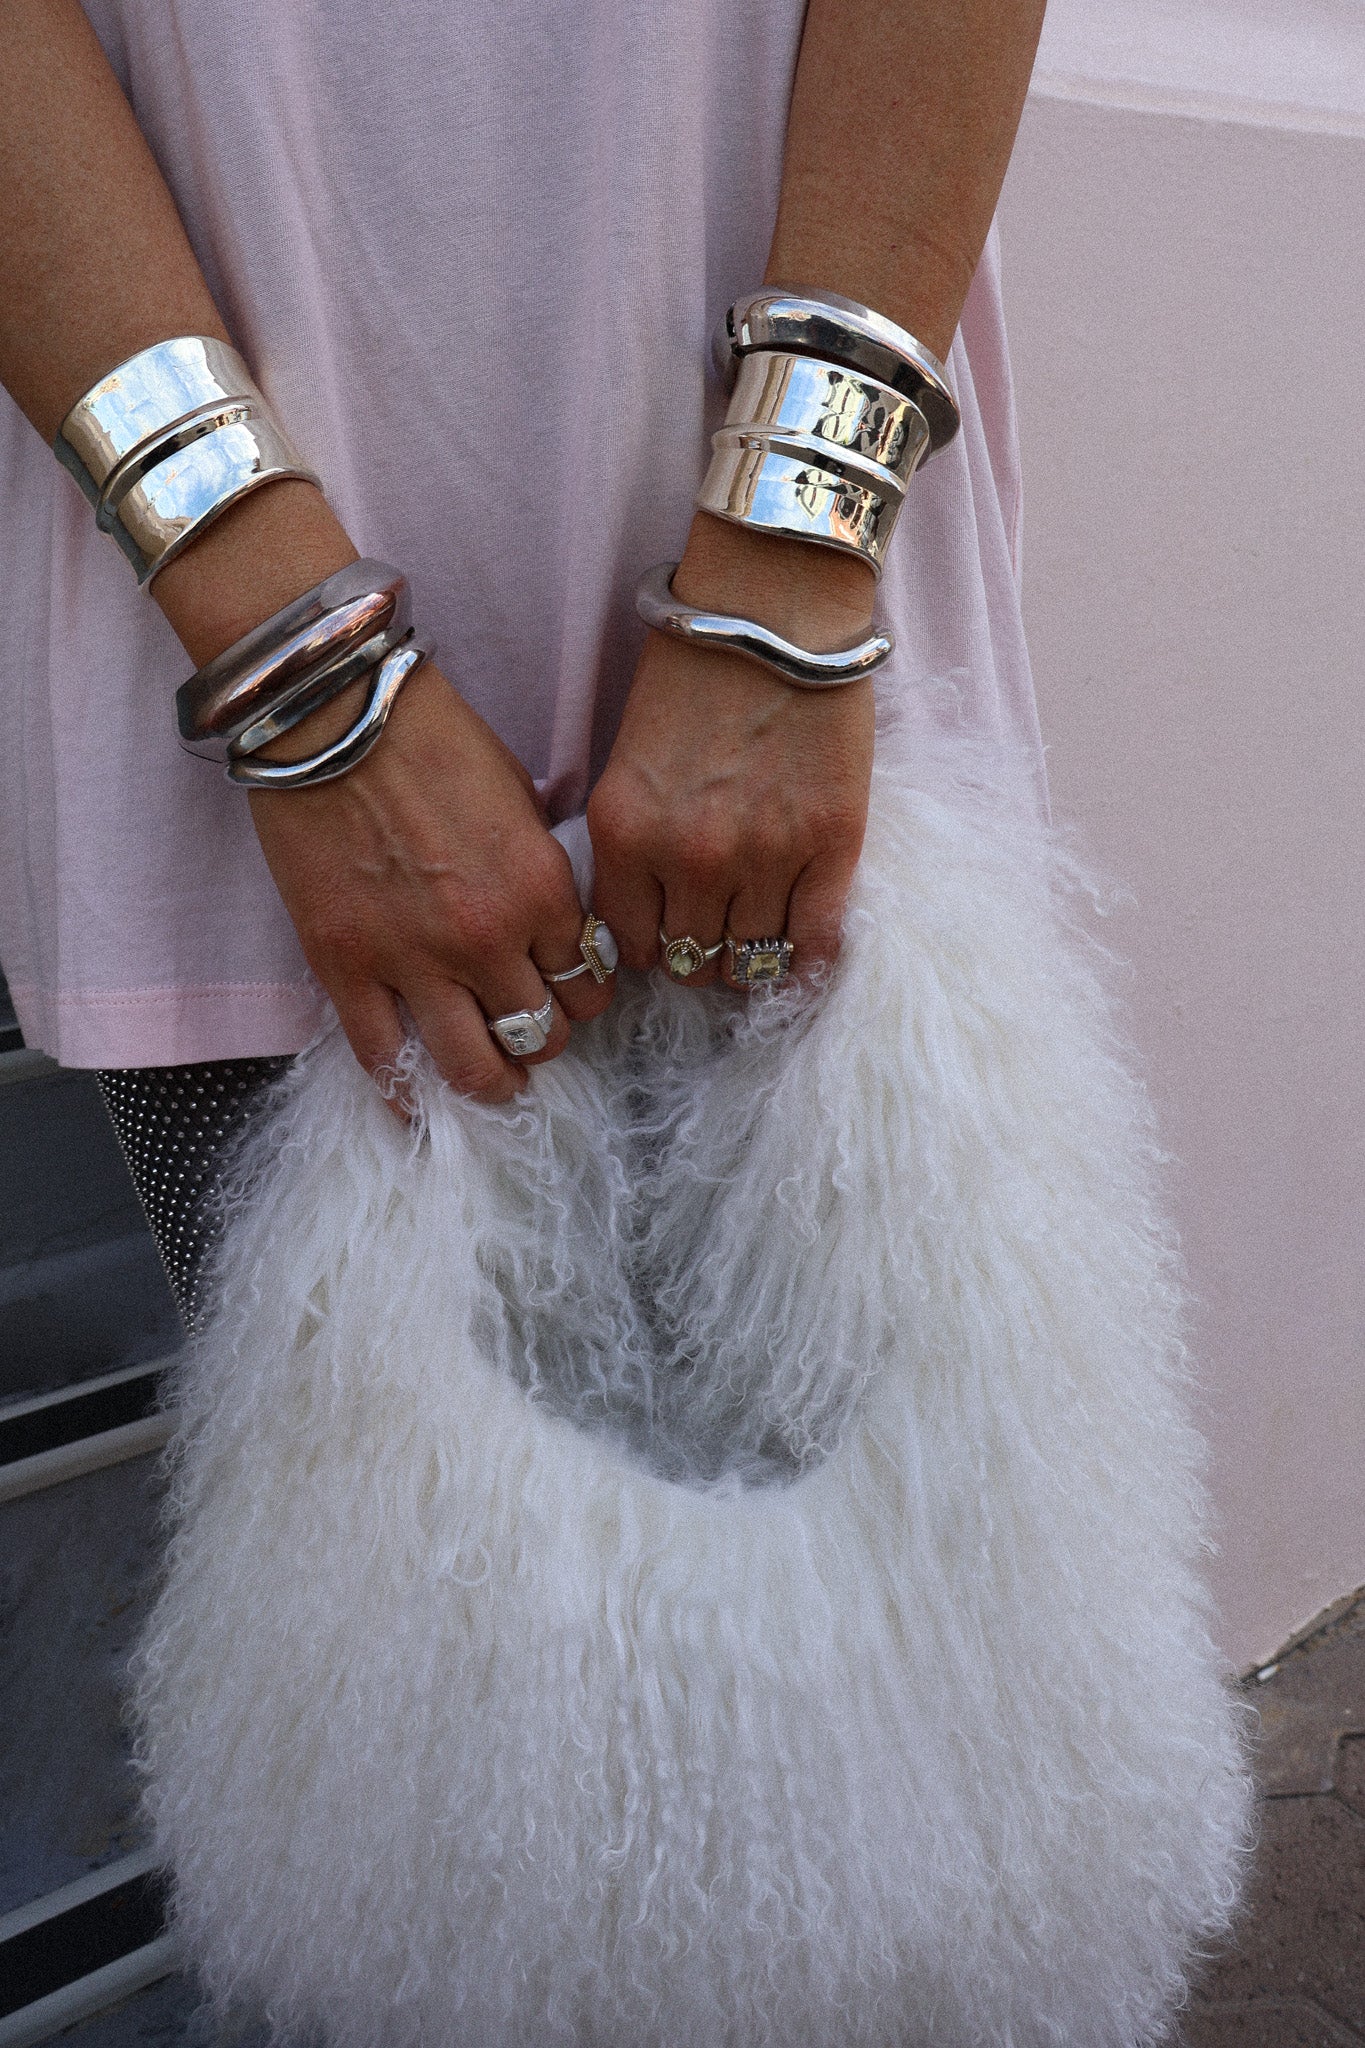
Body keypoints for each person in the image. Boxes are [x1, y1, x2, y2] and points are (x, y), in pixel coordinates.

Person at [0, 3, 1249, 2041]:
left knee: (936, 1809)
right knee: (450, 1867)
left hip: (807, 674)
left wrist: (784, 559)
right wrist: (299, 671)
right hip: (235, 732)